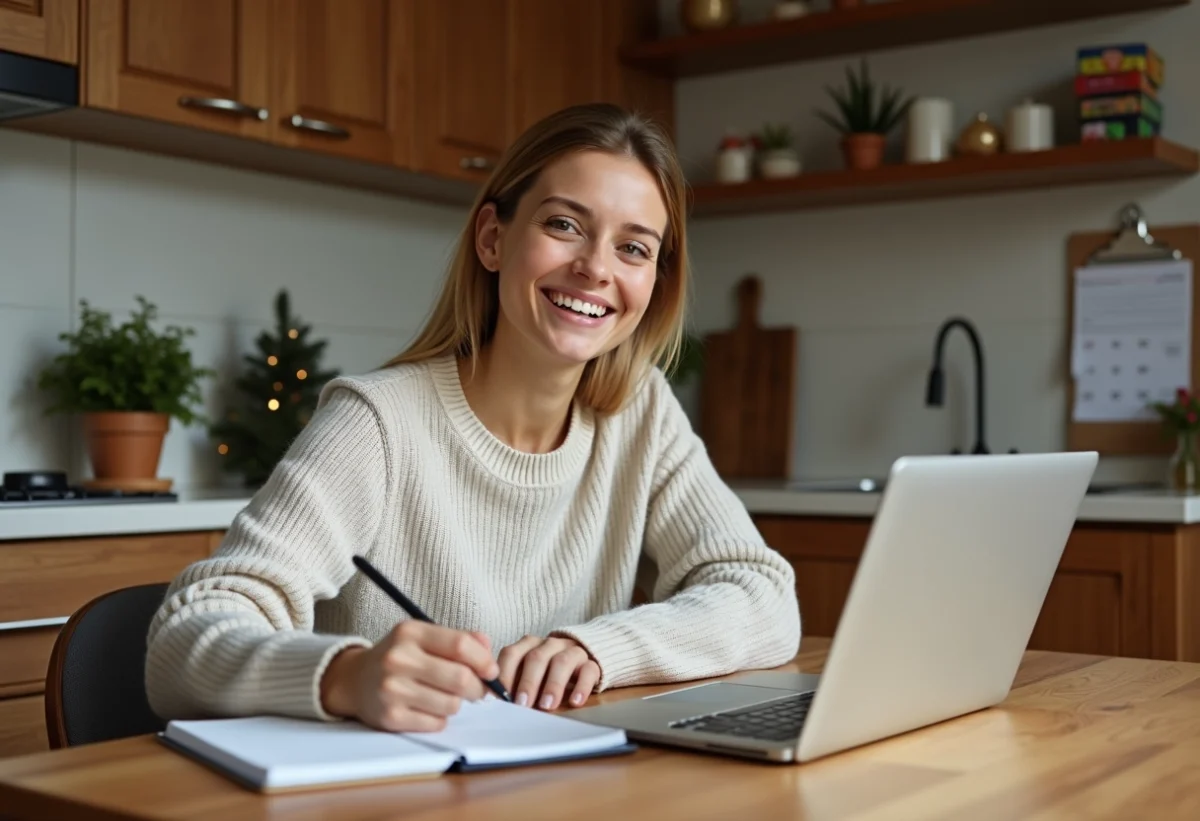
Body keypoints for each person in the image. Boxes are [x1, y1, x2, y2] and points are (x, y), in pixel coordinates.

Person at [145, 103, 801, 734]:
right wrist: (345, 675)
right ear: (493, 238)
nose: (597, 268)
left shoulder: (642, 414)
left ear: (655, 280)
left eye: (634, 248)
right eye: (565, 225)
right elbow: (181, 640)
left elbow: (764, 597)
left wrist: (601, 647)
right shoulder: (379, 423)